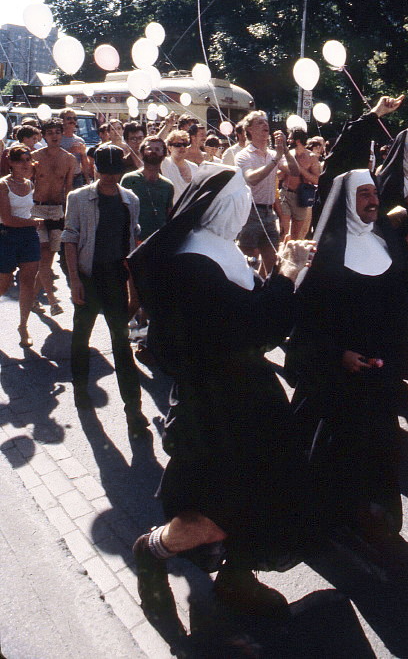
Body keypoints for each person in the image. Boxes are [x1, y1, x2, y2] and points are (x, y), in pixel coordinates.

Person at [127, 165, 315, 637]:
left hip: (245, 396)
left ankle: (236, 578)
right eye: (243, 201)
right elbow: (251, 330)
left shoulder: (212, 252)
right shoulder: (195, 262)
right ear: (227, 206)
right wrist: (286, 275)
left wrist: (279, 280)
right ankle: (151, 551)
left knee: (260, 495)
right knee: (214, 511)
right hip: (215, 407)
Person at [287, 169, 408, 540]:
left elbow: (400, 300)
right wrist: (336, 354)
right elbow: (307, 318)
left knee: (379, 447)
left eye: (374, 193)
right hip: (337, 378)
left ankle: (375, 518)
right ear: (346, 199)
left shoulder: (384, 243)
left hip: (378, 373)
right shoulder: (327, 252)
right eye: (362, 194)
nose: (372, 200)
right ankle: (329, 522)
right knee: (334, 452)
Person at [62, 144, 147, 435]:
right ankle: (80, 387)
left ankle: (133, 409)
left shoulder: (130, 200)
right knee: (82, 337)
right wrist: (74, 280)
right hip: (88, 276)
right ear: (95, 168)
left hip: (115, 278)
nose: (110, 178)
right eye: (105, 172)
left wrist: (135, 291)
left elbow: (133, 244)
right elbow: (70, 238)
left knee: (122, 343)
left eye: (115, 172)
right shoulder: (79, 198)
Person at [235, 111, 300, 275]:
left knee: (272, 262)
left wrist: (284, 151)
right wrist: (275, 159)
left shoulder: (273, 154)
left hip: (269, 214)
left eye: (266, 122)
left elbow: (294, 171)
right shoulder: (244, 155)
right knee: (246, 260)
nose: (266, 125)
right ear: (249, 129)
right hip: (250, 213)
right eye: (259, 123)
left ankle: (266, 289)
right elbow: (251, 179)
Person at [32, 118, 75, 316]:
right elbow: (27, 186)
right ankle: (52, 301)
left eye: (57, 132)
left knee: (49, 258)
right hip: (38, 210)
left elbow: (69, 189)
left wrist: (69, 215)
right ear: (44, 135)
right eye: (50, 133)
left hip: (57, 211)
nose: (54, 136)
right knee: (44, 256)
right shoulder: (34, 158)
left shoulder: (69, 159)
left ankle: (32, 299)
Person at [0, 145, 41, 347]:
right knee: (4, 283)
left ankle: (23, 327)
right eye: (20, 160)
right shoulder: (3, 185)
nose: (25, 164)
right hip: (6, 236)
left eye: (28, 159)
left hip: (28, 236)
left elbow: (26, 213)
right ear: (11, 163)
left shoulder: (30, 184)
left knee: (28, 282)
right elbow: (7, 219)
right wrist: (34, 222)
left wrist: (33, 222)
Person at [120, 136, 174, 242]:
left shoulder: (167, 186)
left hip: (159, 242)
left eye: (158, 149)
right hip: (133, 241)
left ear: (164, 155)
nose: (153, 152)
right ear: (142, 152)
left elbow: (168, 216)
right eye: (149, 148)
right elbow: (120, 212)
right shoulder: (129, 180)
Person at [279, 127, 321, 241]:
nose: (288, 141)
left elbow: (317, 180)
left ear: (297, 141)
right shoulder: (287, 155)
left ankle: (291, 256)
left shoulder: (311, 158)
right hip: (285, 194)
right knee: (283, 231)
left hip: (301, 198)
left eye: (290, 139)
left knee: (295, 236)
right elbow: (281, 176)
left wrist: (300, 169)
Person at [161, 131, 197, 203]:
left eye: (185, 144)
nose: (182, 147)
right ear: (169, 147)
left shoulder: (194, 167)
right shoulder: (164, 163)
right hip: (172, 211)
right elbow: (155, 142)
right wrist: (168, 125)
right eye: (177, 145)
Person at [59, 108, 91, 189]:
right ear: (62, 121)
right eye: (69, 118)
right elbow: (54, 158)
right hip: (61, 178)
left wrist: (87, 179)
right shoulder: (57, 139)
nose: (72, 121)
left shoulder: (80, 140)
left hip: (77, 178)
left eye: (75, 118)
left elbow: (84, 163)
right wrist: (70, 151)